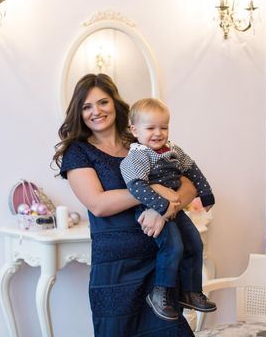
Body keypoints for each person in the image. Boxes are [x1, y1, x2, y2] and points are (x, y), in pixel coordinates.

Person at [53, 73, 198, 337]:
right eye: (86, 106)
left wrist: (162, 210)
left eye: (102, 102)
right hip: (115, 272)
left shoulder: (142, 142)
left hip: (157, 266)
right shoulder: (78, 152)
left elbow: (188, 186)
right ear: (79, 112)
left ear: (115, 104)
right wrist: (151, 191)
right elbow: (98, 204)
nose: (96, 111)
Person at [120, 98, 216, 322]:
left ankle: (190, 292)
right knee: (173, 245)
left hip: (172, 208)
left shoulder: (172, 150)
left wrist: (206, 193)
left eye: (163, 127)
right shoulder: (138, 154)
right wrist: (162, 207)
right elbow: (136, 186)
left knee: (194, 242)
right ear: (135, 130)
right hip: (149, 206)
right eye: (151, 128)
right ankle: (160, 292)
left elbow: (192, 169)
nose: (158, 133)